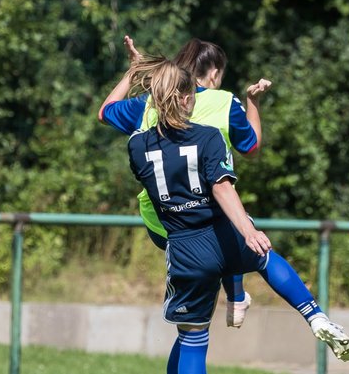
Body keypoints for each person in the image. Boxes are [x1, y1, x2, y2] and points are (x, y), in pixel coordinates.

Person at [124, 54, 349, 374]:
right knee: (266, 259)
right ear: (181, 99)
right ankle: (313, 314)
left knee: (193, 342)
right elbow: (222, 189)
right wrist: (249, 230)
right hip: (220, 235)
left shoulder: (136, 146)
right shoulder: (208, 137)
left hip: (184, 248)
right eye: (191, 94)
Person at [100, 36, 268, 327]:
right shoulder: (225, 102)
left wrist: (133, 71)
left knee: (191, 327)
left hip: (160, 220)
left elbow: (105, 111)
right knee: (223, 222)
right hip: (206, 217)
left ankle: (231, 298)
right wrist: (253, 102)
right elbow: (251, 148)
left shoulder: (149, 102)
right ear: (214, 73)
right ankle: (237, 295)